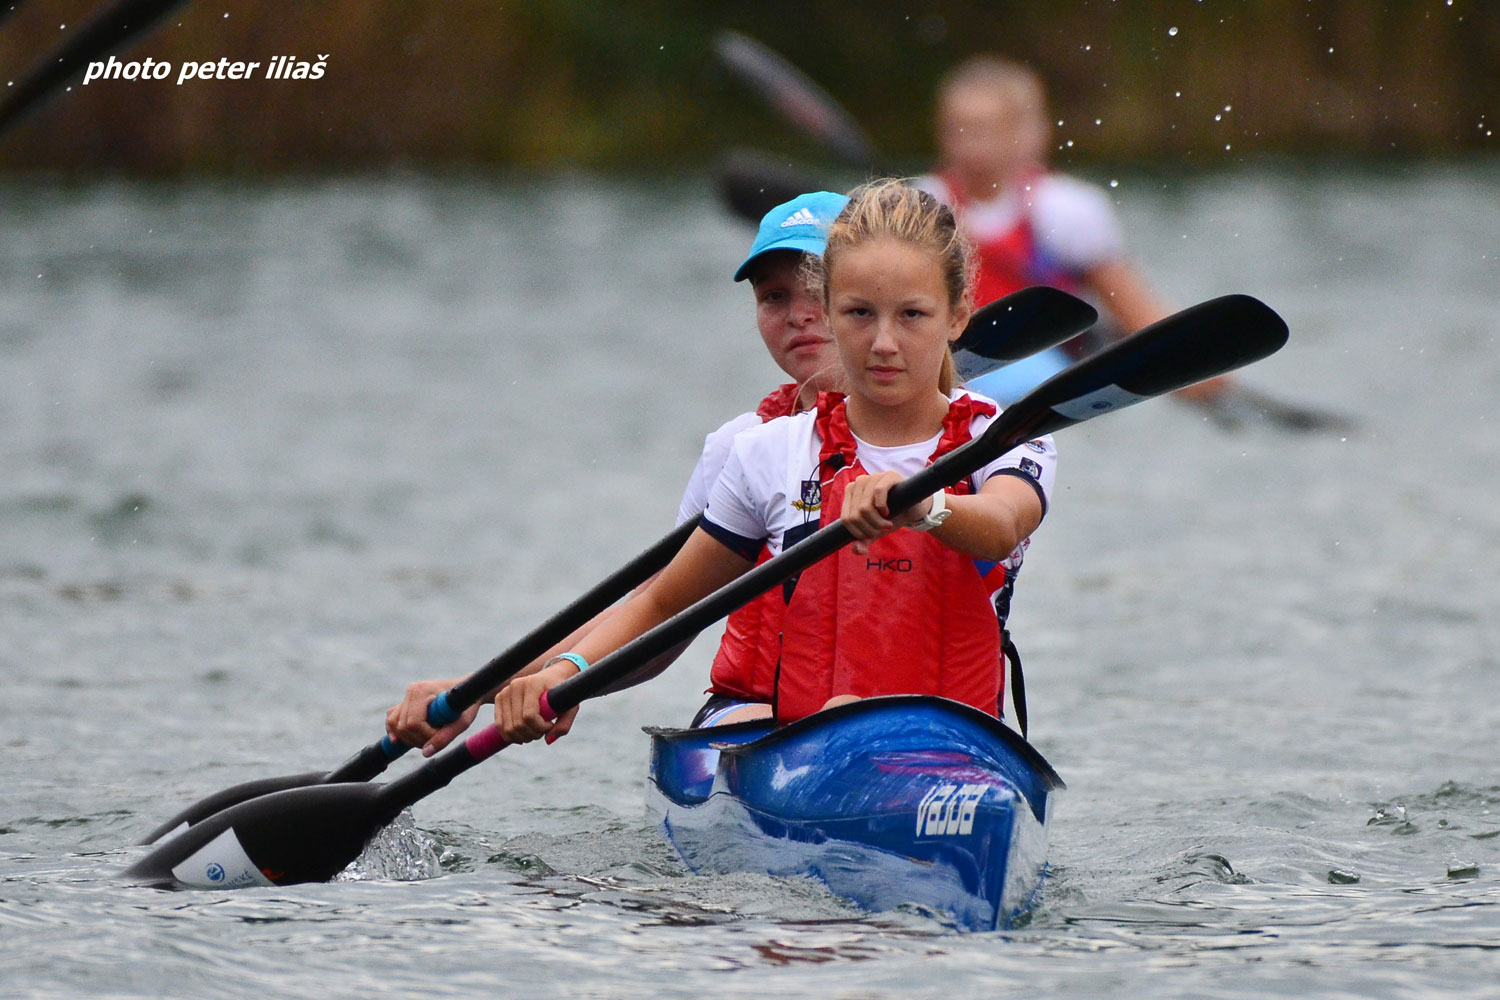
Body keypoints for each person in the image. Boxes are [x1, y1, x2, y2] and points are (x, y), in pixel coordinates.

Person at [492, 180, 1056, 746]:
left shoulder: (1006, 436)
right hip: (787, 738)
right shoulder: (765, 451)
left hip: (953, 749)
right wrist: (565, 676)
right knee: (818, 717)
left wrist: (924, 504)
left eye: (912, 315)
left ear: (958, 316)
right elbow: (665, 602)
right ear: (831, 316)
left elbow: (1003, 524)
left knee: (861, 718)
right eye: (860, 314)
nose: (884, 342)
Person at [386, 191, 852, 753]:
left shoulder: (965, 434)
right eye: (774, 296)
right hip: (760, 723)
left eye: (818, 289)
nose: (798, 313)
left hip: (925, 729)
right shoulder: (743, 448)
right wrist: (483, 691)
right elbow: (655, 617)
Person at [916, 55, 1226, 407]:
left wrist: (1191, 366)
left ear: (1027, 135)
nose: (970, 145)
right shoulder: (920, 206)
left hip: (1045, 380)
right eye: (958, 130)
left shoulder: (1066, 210)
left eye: (986, 131)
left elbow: (1133, 310)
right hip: (948, 374)